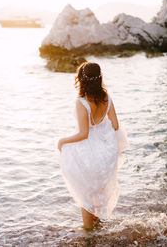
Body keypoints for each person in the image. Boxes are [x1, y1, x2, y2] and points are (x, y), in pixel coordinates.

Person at [57, 61, 128, 230]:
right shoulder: (106, 98)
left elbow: (84, 134)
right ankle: (97, 225)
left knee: (85, 193)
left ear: (81, 79)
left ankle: (88, 233)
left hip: (89, 152)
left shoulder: (81, 102)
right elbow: (116, 125)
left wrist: (62, 141)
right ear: (99, 78)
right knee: (98, 189)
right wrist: (103, 132)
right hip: (106, 151)